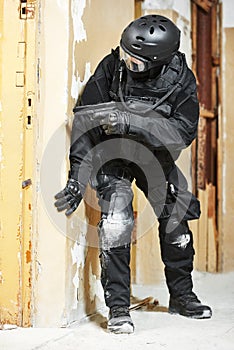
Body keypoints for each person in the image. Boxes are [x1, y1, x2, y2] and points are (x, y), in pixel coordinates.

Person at [54, 14, 212, 334]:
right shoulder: (113, 66)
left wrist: (134, 122)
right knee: (116, 220)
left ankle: (182, 296)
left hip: (156, 157)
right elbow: (85, 121)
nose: (127, 64)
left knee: (176, 217)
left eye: (136, 63)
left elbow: (183, 132)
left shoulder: (181, 78)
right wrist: (76, 175)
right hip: (113, 155)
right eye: (125, 54)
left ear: (159, 62)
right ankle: (118, 308)